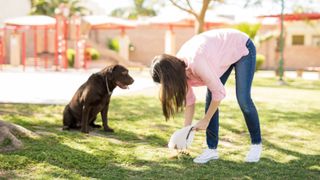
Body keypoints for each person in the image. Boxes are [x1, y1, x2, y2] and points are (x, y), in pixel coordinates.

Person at [150, 28, 262, 164]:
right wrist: (185, 133)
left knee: (243, 99)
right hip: (220, 54)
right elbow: (190, 101)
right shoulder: (179, 72)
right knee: (211, 97)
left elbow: (219, 92)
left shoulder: (196, 62)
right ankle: (211, 150)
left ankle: (256, 144)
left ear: (171, 76)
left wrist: (206, 120)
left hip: (240, 46)